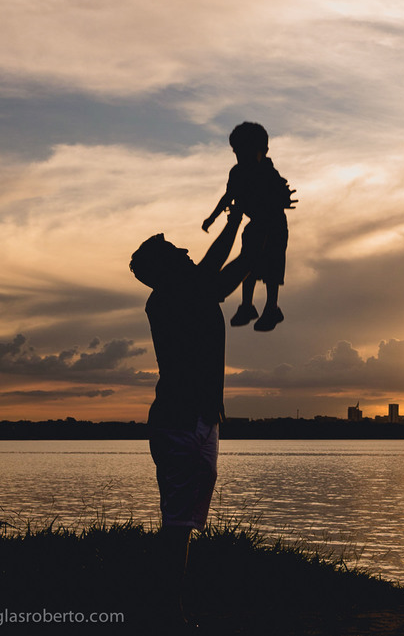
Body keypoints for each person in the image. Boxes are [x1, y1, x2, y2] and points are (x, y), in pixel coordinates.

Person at [130, 207, 253, 626]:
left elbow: (216, 275)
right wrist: (240, 229)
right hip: (178, 424)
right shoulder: (168, 297)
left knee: (183, 524)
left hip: (201, 421)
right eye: (174, 250)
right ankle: (167, 611)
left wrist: (246, 238)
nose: (184, 249)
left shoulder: (189, 289)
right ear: (163, 268)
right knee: (177, 525)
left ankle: (166, 605)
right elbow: (215, 270)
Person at [202, 121, 295, 331]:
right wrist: (212, 217)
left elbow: (280, 196)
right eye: (237, 152)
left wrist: (281, 200)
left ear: (263, 151)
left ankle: (271, 308)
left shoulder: (269, 174)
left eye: (247, 152)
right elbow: (229, 196)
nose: (241, 157)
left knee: (272, 267)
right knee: (249, 265)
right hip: (254, 225)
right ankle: (247, 305)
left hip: (275, 225)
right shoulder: (237, 173)